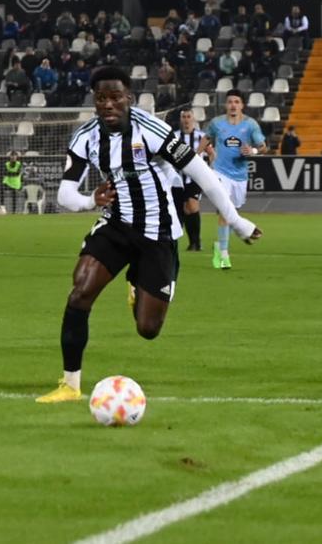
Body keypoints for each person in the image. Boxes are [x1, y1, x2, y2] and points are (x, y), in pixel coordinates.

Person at [36, 66, 261, 403]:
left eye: (115, 97)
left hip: (158, 232)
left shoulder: (153, 130)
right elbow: (64, 194)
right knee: (80, 291)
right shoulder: (85, 137)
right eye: (101, 99)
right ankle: (70, 384)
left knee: (148, 329)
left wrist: (238, 221)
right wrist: (89, 201)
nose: (108, 104)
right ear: (94, 102)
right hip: (116, 224)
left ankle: (138, 278)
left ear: (128, 98)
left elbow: (203, 175)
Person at [203, 90, 267, 271]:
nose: (233, 105)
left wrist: (252, 151)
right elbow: (207, 138)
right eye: (230, 101)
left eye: (236, 102)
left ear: (242, 105)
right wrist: (196, 155)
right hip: (220, 172)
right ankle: (223, 254)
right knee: (225, 211)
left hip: (240, 175)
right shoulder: (217, 123)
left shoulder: (250, 124)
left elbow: (263, 147)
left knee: (233, 212)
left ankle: (231, 237)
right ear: (226, 105)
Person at [173, 109, 206, 251]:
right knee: (185, 210)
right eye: (184, 117)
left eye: (188, 117)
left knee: (192, 205)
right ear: (181, 119)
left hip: (195, 178)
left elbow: (211, 153)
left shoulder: (201, 136)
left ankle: (196, 242)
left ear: (193, 119)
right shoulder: (174, 136)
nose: (186, 119)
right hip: (178, 179)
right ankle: (192, 242)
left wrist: (211, 169)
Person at [0, 150, 22, 215]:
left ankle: (13, 211)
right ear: (10, 157)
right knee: (2, 189)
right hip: (7, 181)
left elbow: (17, 174)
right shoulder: (6, 164)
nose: (13, 157)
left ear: (16, 157)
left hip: (15, 182)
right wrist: (11, 174)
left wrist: (10, 173)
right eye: (12, 155)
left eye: (14, 155)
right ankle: (2, 206)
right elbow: (5, 173)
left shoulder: (19, 164)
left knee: (14, 195)